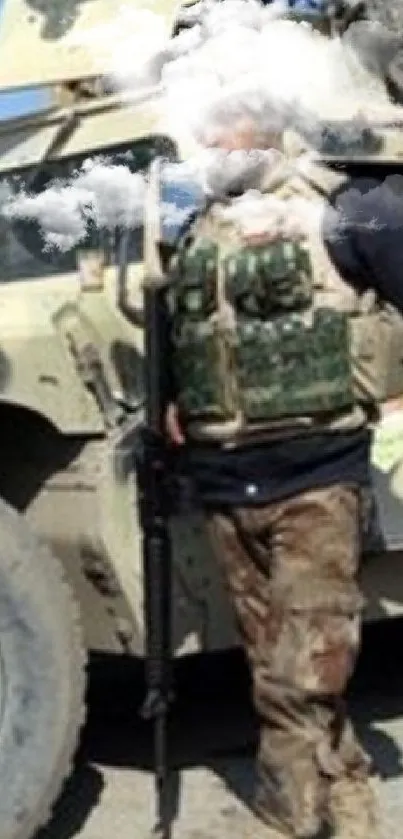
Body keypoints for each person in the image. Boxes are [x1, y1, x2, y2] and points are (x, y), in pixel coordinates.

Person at [160, 105, 403, 839]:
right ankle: (337, 807)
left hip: (315, 477)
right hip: (226, 481)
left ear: (265, 115)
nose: (204, 136)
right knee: (275, 665)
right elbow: (189, 336)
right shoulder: (194, 228)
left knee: (309, 666)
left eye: (221, 118)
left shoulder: (347, 209)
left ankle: (304, 815)